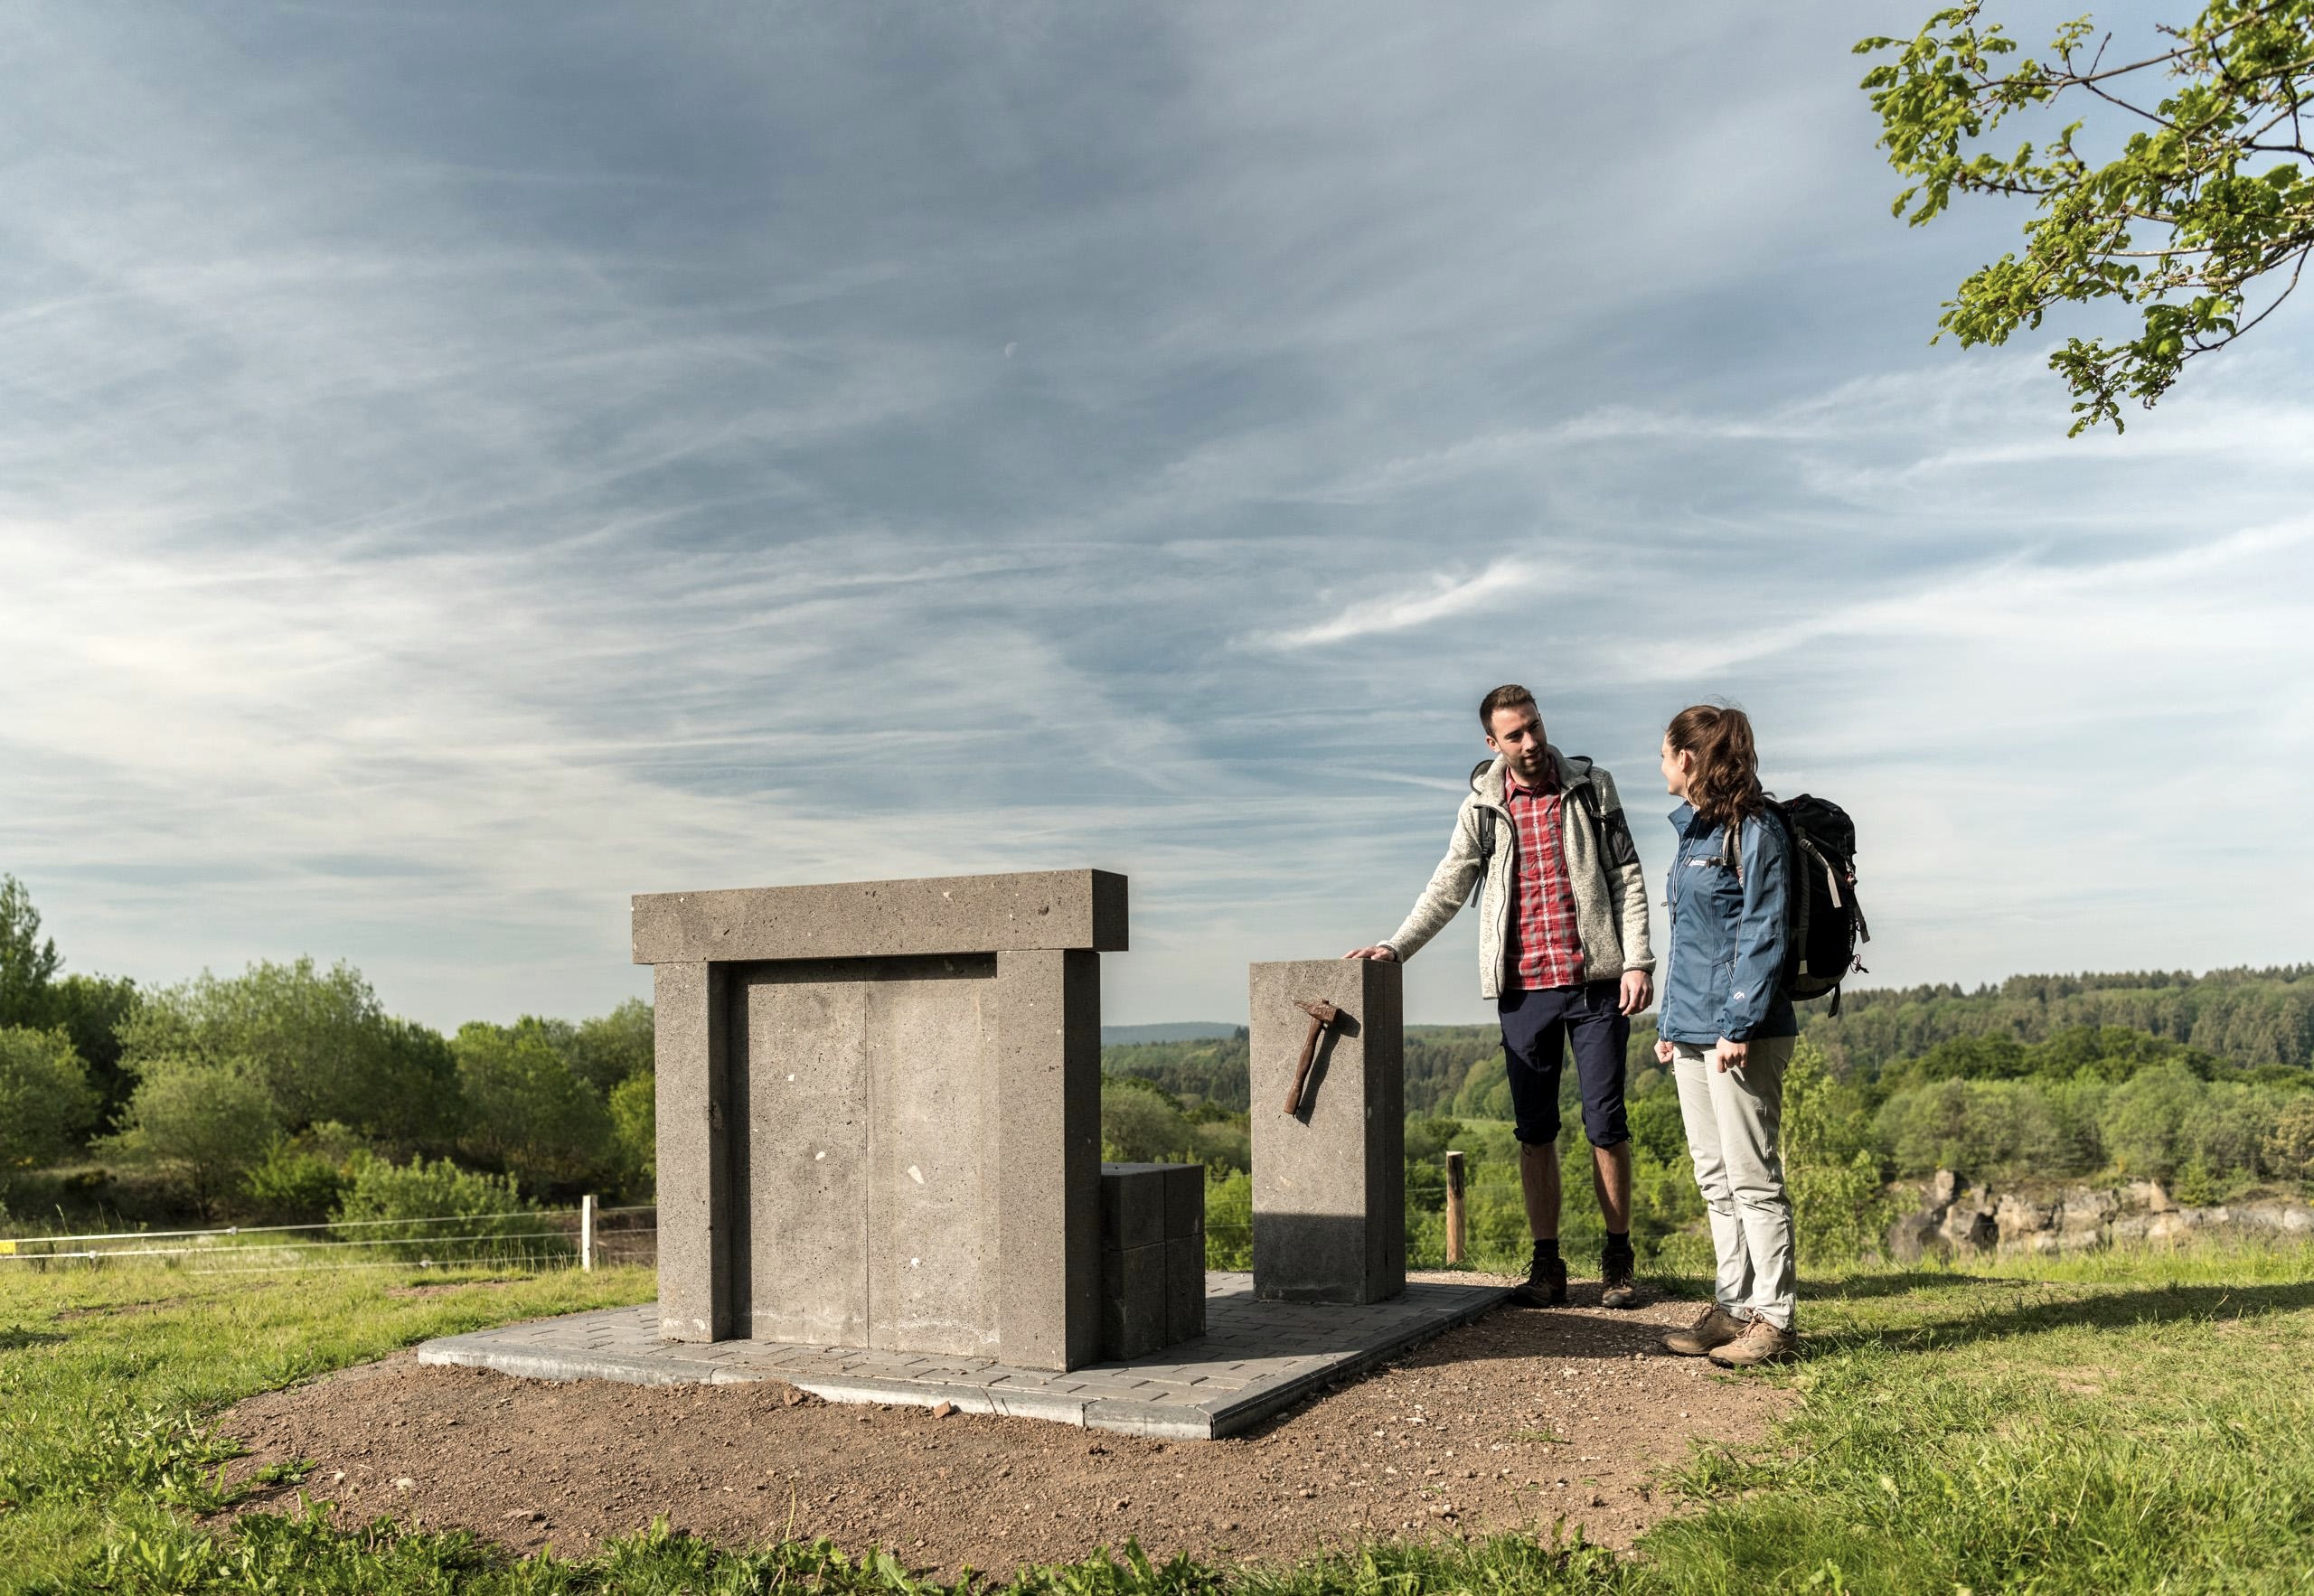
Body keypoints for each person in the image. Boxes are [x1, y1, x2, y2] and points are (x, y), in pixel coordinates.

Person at [1346, 683, 1655, 1309]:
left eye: (1535, 726)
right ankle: (1547, 1267)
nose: (1531, 741)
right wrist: (1396, 946)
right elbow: (1447, 887)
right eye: (1515, 734)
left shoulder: (1592, 788)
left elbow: (1626, 874)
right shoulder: (1481, 809)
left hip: (1595, 984)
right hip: (1522, 991)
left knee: (1606, 1125)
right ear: (1493, 743)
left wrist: (1636, 960)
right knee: (1534, 1133)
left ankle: (1618, 1261)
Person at [1652, 703, 1801, 1367]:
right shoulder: (1694, 834)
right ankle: (1732, 1306)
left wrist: (1737, 1024)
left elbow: (1764, 931)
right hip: (1692, 1031)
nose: (1661, 766)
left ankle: (1775, 1320)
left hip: (1742, 1033)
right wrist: (1669, 1025)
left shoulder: (1756, 828)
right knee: (1715, 1177)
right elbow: (1691, 940)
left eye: (1664, 754)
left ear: (1687, 759)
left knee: (1752, 1177)